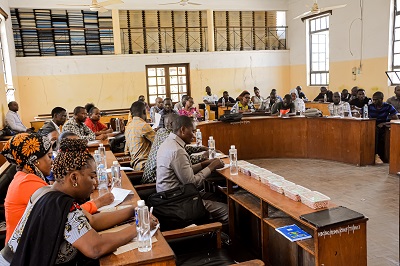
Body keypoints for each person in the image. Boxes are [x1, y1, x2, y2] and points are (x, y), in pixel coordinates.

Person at [0, 138, 157, 265]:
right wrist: (140, 226)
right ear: (74, 178)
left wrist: (132, 210)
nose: (95, 183)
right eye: (91, 177)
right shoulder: (63, 206)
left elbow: (92, 221)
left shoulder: (47, 192)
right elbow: (96, 247)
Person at [0, 133, 114, 244]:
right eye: (49, 156)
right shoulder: (27, 183)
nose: (52, 161)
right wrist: (98, 202)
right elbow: (66, 212)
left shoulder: (26, 177)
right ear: (35, 160)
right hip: (25, 252)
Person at [156, 115, 228, 223]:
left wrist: (203, 164)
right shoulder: (177, 151)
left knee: (217, 197)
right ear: (183, 130)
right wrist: (211, 167)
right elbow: (192, 182)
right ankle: (221, 237)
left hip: (170, 195)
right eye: (192, 131)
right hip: (177, 200)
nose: (194, 135)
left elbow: (184, 171)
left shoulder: (168, 142)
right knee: (227, 211)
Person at [142, 114, 208, 184]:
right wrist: (204, 157)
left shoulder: (163, 134)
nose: (194, 135)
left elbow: (185, 152)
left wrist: (202, 150)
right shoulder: (175, 147)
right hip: (153, 181)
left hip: (159, 182)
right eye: (193, 131)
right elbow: (190, 180)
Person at [368, 91, 398, 164]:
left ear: (381, 99)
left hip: (383, 125)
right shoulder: (370, 106)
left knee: (378, 132)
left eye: (376, 99)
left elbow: (396, 118)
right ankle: (372, 155)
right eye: (373, 99)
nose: (374, 101)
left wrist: (384, 123)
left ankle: (377, 155)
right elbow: (362, 114)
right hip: (372, 124)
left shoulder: (388, 106)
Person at [124, 101, 155, 170]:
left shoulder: (128, 127)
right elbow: (160, 143)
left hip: (135, 166)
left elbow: (126, 152)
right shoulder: (144, 126)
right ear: (144, 112)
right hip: (146, 166)